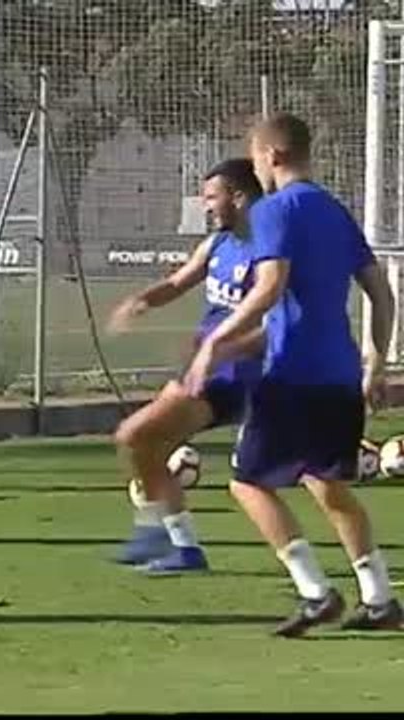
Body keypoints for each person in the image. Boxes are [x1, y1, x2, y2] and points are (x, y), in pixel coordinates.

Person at [185, 112, 403, 636]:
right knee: (325, 482)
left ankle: (315, 592)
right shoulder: (333, 210)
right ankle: (379, 599)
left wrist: (214, 345)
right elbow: (380, 290)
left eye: (256, 159)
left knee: (246, 483)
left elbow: (268, 288)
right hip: (339, 372)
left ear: (272, 157)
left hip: (292, 376)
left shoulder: (275, 211)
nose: (256, 170)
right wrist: (376, 359)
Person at [107, 158, 265, 573]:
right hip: (205, 368)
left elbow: (276, 325)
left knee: (134, 436)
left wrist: (227, 349)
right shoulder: (218, 245)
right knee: (143, 444)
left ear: (239, 196)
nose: (207, 206)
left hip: (233, 374)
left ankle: (159, 531)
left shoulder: (270, 252)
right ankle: (181, 546)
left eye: (212, 197)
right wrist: (141, 300)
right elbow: (178, 282)